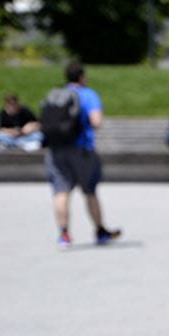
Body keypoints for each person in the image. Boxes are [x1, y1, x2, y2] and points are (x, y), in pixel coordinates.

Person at [44, 62, 121, 249]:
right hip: (82, 150)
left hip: (56, 149)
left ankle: (64, 235)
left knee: (61, 192)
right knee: (90, 191)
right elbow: (97, 121)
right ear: (81, 77)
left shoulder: (56, 95)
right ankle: (100, 231)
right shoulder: (88, 94)